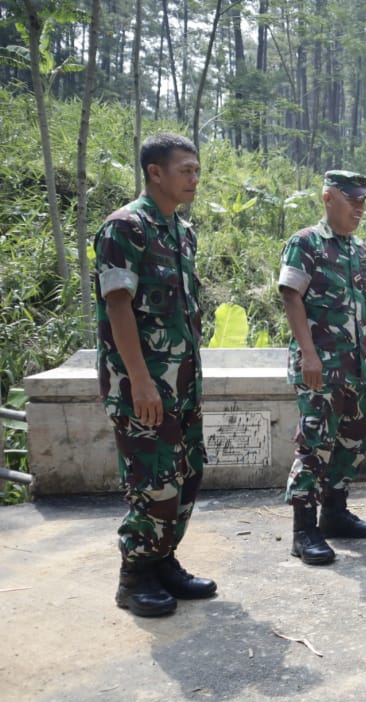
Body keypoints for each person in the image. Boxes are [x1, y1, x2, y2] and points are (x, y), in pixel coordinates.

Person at [95, 132, 217, 617]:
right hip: (142, 385)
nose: (194, 178)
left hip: (183, 384)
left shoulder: (180, 232)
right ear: (155, 172)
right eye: (185, 169)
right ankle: (134, 576)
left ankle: (163, 561)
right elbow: (118, 308)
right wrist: (140, 381)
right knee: (152, 481)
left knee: (187, 475)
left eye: (196, 170)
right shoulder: (125, 228)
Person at [278, 170, 366, 565]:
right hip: (320, 366)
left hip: (356, 366)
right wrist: (308, 354)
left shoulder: (361, 251)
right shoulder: (305, 243)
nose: (360, 208)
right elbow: (292, 296)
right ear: (329, 198)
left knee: (353, 438)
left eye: (364, 201)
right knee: (314, 443)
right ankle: (303, 529)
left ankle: (335, 512)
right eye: (353, 200)